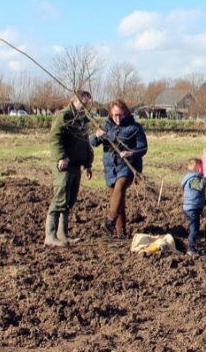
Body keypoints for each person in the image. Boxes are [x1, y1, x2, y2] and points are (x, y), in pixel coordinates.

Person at [89, 99, 148, 239]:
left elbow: (143, 147)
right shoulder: (106, 126)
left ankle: (110, 221)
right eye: (115, 115)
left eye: (120, 115)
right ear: (111, 113)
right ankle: (121, 233)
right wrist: (96, 136)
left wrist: (130, 152)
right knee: (117, 199)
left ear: (126, 113)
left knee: (120, 188)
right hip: (110, 168)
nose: (118, 118)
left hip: (128, 166)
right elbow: (93, 142)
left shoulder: (135, 127)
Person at [45, 91, 94, 248]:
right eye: (82, 102)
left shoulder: (80, 119)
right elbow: (55, 138)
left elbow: (85, 142)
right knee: (60, 197)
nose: (85, 105)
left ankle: (63, 234)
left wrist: (87, 164)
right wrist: (61, 157)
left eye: (87, 103)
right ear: (74, 100)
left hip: (75, 164)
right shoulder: (63, 116)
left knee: (69, 199)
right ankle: (50, 236)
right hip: (64, 164)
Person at [180, 157, 206, 256]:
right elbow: (201, 186)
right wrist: (205, 177)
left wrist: (201, 210)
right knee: (194, 229)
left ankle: (191, 244)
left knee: (194, 228)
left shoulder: (192, 179)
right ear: (197, 169)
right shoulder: (193, 180)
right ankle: (190, 248)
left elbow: (196, 197)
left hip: (192, 207)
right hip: (191, 209)